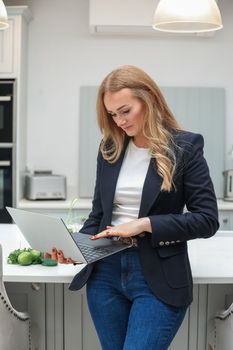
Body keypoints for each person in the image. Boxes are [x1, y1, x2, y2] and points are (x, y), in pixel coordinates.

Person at [78, 65, 219, 350]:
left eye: (125, 111)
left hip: (157, 273)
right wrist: (75, 245)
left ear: (149, 99)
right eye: (112, 114)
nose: (118, 121)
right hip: (105, 272)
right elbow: (98, 215)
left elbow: (207, 219)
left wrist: (145, 224)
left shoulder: (185, 147)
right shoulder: (110, 148)